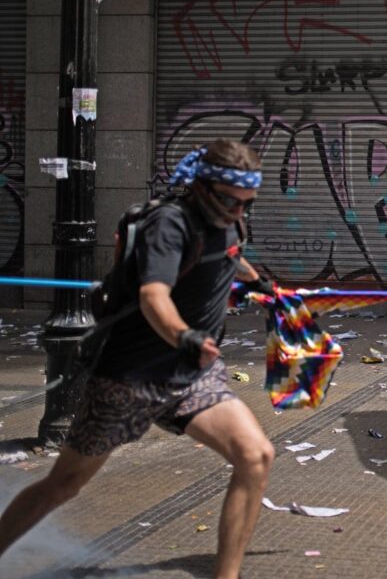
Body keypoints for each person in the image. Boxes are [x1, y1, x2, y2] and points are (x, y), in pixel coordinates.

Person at [0, 139, 275, 579]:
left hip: (191, 376)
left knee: (256, 456)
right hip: (129, 378)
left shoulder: (231, 222)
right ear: (202, 187)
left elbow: (229, 256)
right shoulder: (169, 224)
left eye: (248, 203)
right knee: (63, 485)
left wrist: (261, 286)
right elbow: (153, 296)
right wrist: (183, 335)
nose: (239, 211)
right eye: (229, 200)